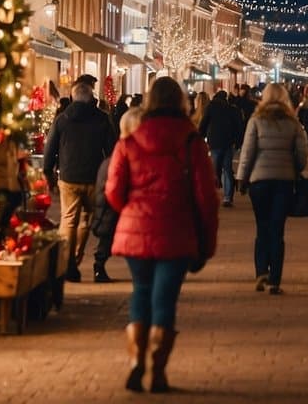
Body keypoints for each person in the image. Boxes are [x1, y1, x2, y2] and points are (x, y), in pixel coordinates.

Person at [105, 76, 219, 393]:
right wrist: (207, 242)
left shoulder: (128, 141)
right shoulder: (191, 142)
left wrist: (132, 207)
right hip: (176, 231)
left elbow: (113, 191)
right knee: (165, 299)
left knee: (141, 292)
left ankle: (135, 360)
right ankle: (157, 370)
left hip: (136, 230)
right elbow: (206, 198)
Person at [235, 82, 308, 295]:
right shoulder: (292, 122)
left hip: (259, 181)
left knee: (262, 227)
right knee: (277, 230)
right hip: (284, 181)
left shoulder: (256, 120)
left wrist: (241, 178)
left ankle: (260, 272)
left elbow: (247, 152)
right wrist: (294, 168)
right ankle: (275, 280)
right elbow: (302, 155)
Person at [44, 74, 119, 282]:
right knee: (85, 219)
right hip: (93, 177)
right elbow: (112, 149)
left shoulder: (62, 119)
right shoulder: (102, 118)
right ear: (91, 97)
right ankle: (74, 259)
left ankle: (66, 263)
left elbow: (50, 149)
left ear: (73, 97)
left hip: (68, 176)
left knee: (68, 219)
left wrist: (48, 171)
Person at [91, 107, 145, 283]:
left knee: (109, 235)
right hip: (113, 204)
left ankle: (100, 265)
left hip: (112, 204)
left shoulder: (119, 150)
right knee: (108, 236)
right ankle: (99, 266)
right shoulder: (125, 152)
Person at [199, 89, 245, 208]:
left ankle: (212, 194)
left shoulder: (211, 107)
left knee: (214, 168)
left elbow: (204, 123)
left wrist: (200, 136)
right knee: (227, 168)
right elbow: (239, 127)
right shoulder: (232, 109)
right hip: (228, 143)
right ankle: (227, 197)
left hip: (214, 142)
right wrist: (238, 142)